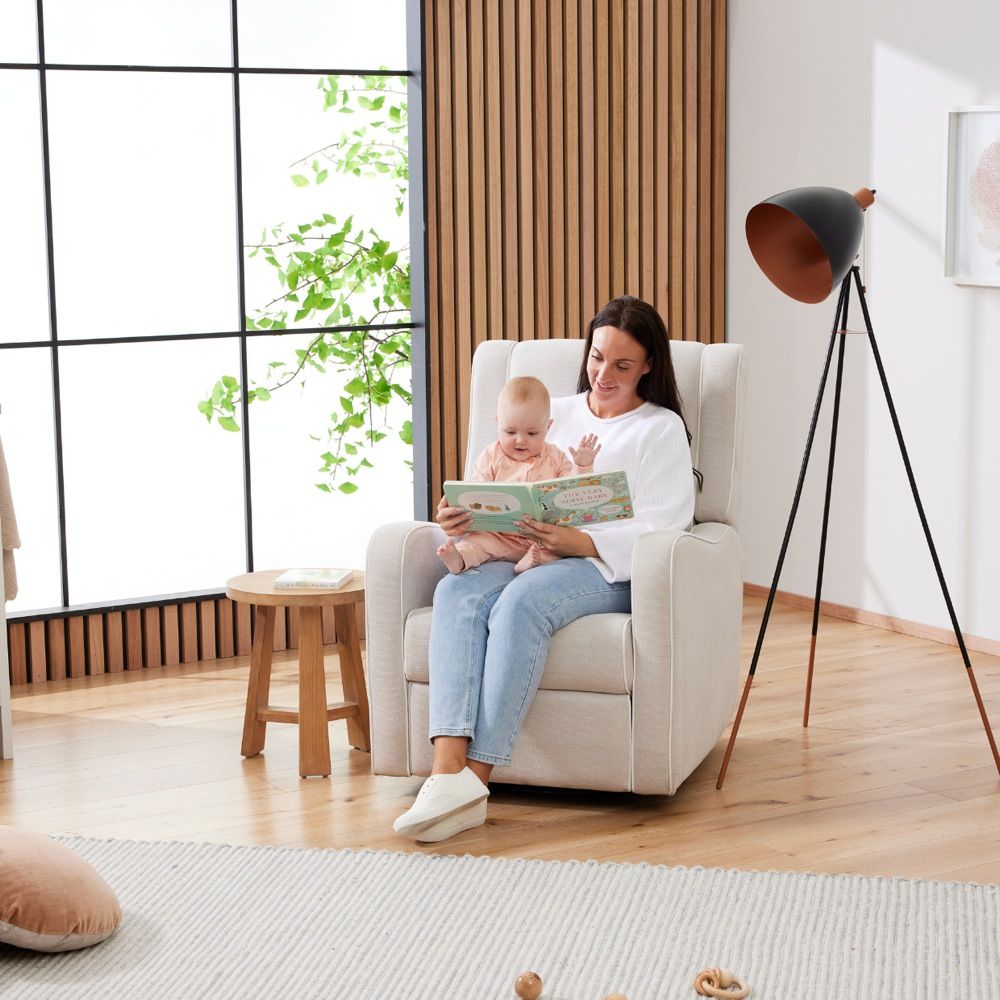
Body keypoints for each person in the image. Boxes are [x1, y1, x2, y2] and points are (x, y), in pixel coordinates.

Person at [393, 295, 697, 843]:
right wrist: (458, 516)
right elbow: (494, 480)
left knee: (522, 602)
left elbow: (666, 525)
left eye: (622, 365)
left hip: (604, 568)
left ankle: (473, 780)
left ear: (649, 365)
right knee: (456, 591)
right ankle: (445, 772)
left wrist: (578, 540)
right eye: (597, 357)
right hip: (518, 547)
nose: (603, 374)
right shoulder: (548, 412)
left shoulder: (660, 428)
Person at [436, 375, 602, 575]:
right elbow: (475, 493)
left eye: (532, 434)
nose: (520, 441)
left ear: (548, 428)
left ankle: (531, 562)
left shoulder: (555, 457)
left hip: (540, 538)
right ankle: (459, 559)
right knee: (477, 543)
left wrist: (582, 466)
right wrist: (460, 507)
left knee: (561, 548)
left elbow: (572, 492)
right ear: (498, 424)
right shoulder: (491, 456)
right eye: (510, 432)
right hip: (498, 536)